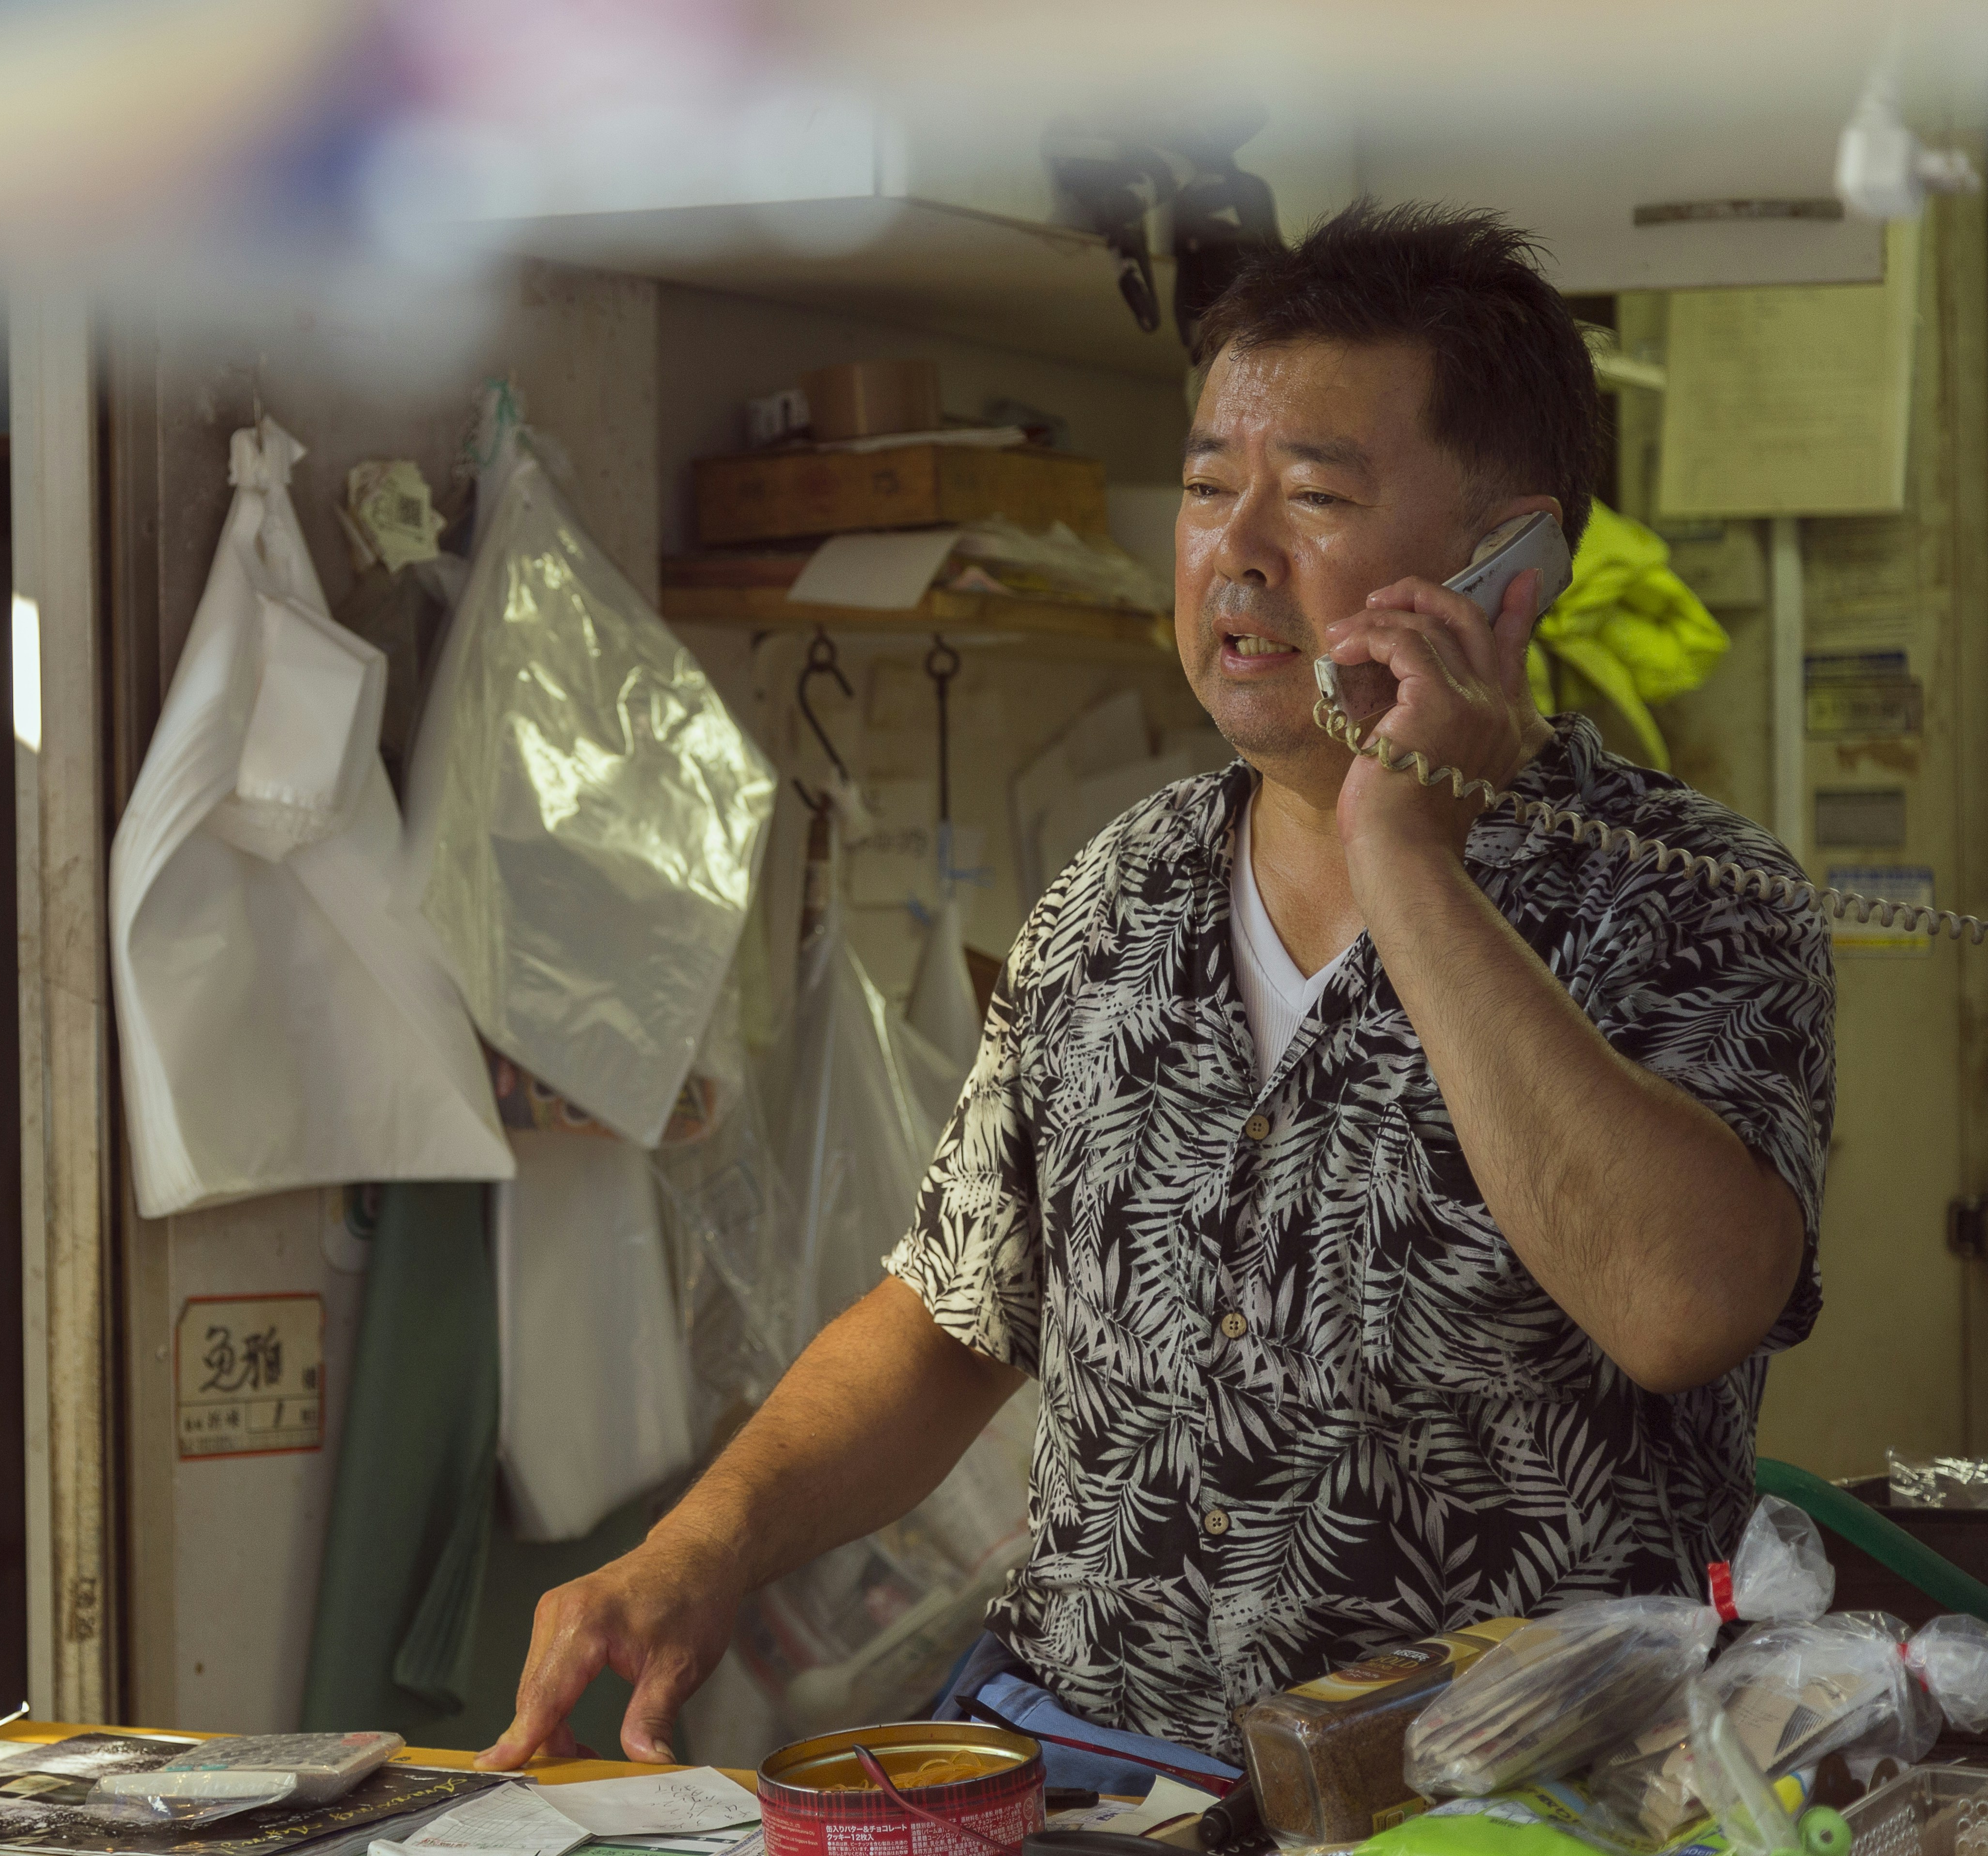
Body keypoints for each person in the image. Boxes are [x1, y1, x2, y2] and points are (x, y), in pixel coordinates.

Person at [474, 201, 1835, 1776]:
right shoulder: (1115, 894)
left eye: (1314, 496)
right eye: (1204, 489)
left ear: (1508, 568)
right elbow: (955, 1313)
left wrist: (1408, 860)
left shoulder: (1691, 901)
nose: (1234, 553)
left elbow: (1683, 1309)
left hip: (1495, 1797)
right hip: (1089, 1767)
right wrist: (701, 1545)